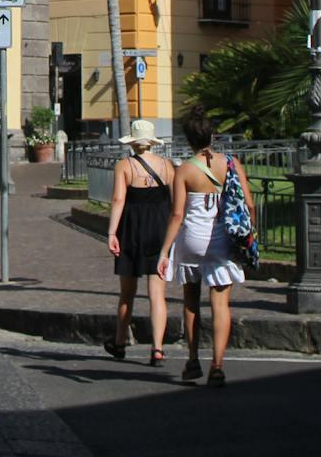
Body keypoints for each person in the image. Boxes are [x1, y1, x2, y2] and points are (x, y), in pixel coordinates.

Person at [159, 106, 253, 387]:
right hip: (221, 238)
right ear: (212, 135)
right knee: (220, 302)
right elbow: (248, 204)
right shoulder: (231, 164)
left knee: (190, 301)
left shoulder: (184, 170)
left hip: (191, 238)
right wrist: (251, 233)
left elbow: (177, 214)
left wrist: (165, 251)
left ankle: (192, 360)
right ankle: (217, 365)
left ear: (188, 139)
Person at [103, 118, 176, 365]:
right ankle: (157, 348)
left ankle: (120, 340)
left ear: (132, 142)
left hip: (132, 229)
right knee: (157, 293)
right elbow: (175, 202)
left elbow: (118, 200)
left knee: (127, 292)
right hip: (160, 229)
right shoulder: (167, 166)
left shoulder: (125, 166)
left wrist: (112, 232)